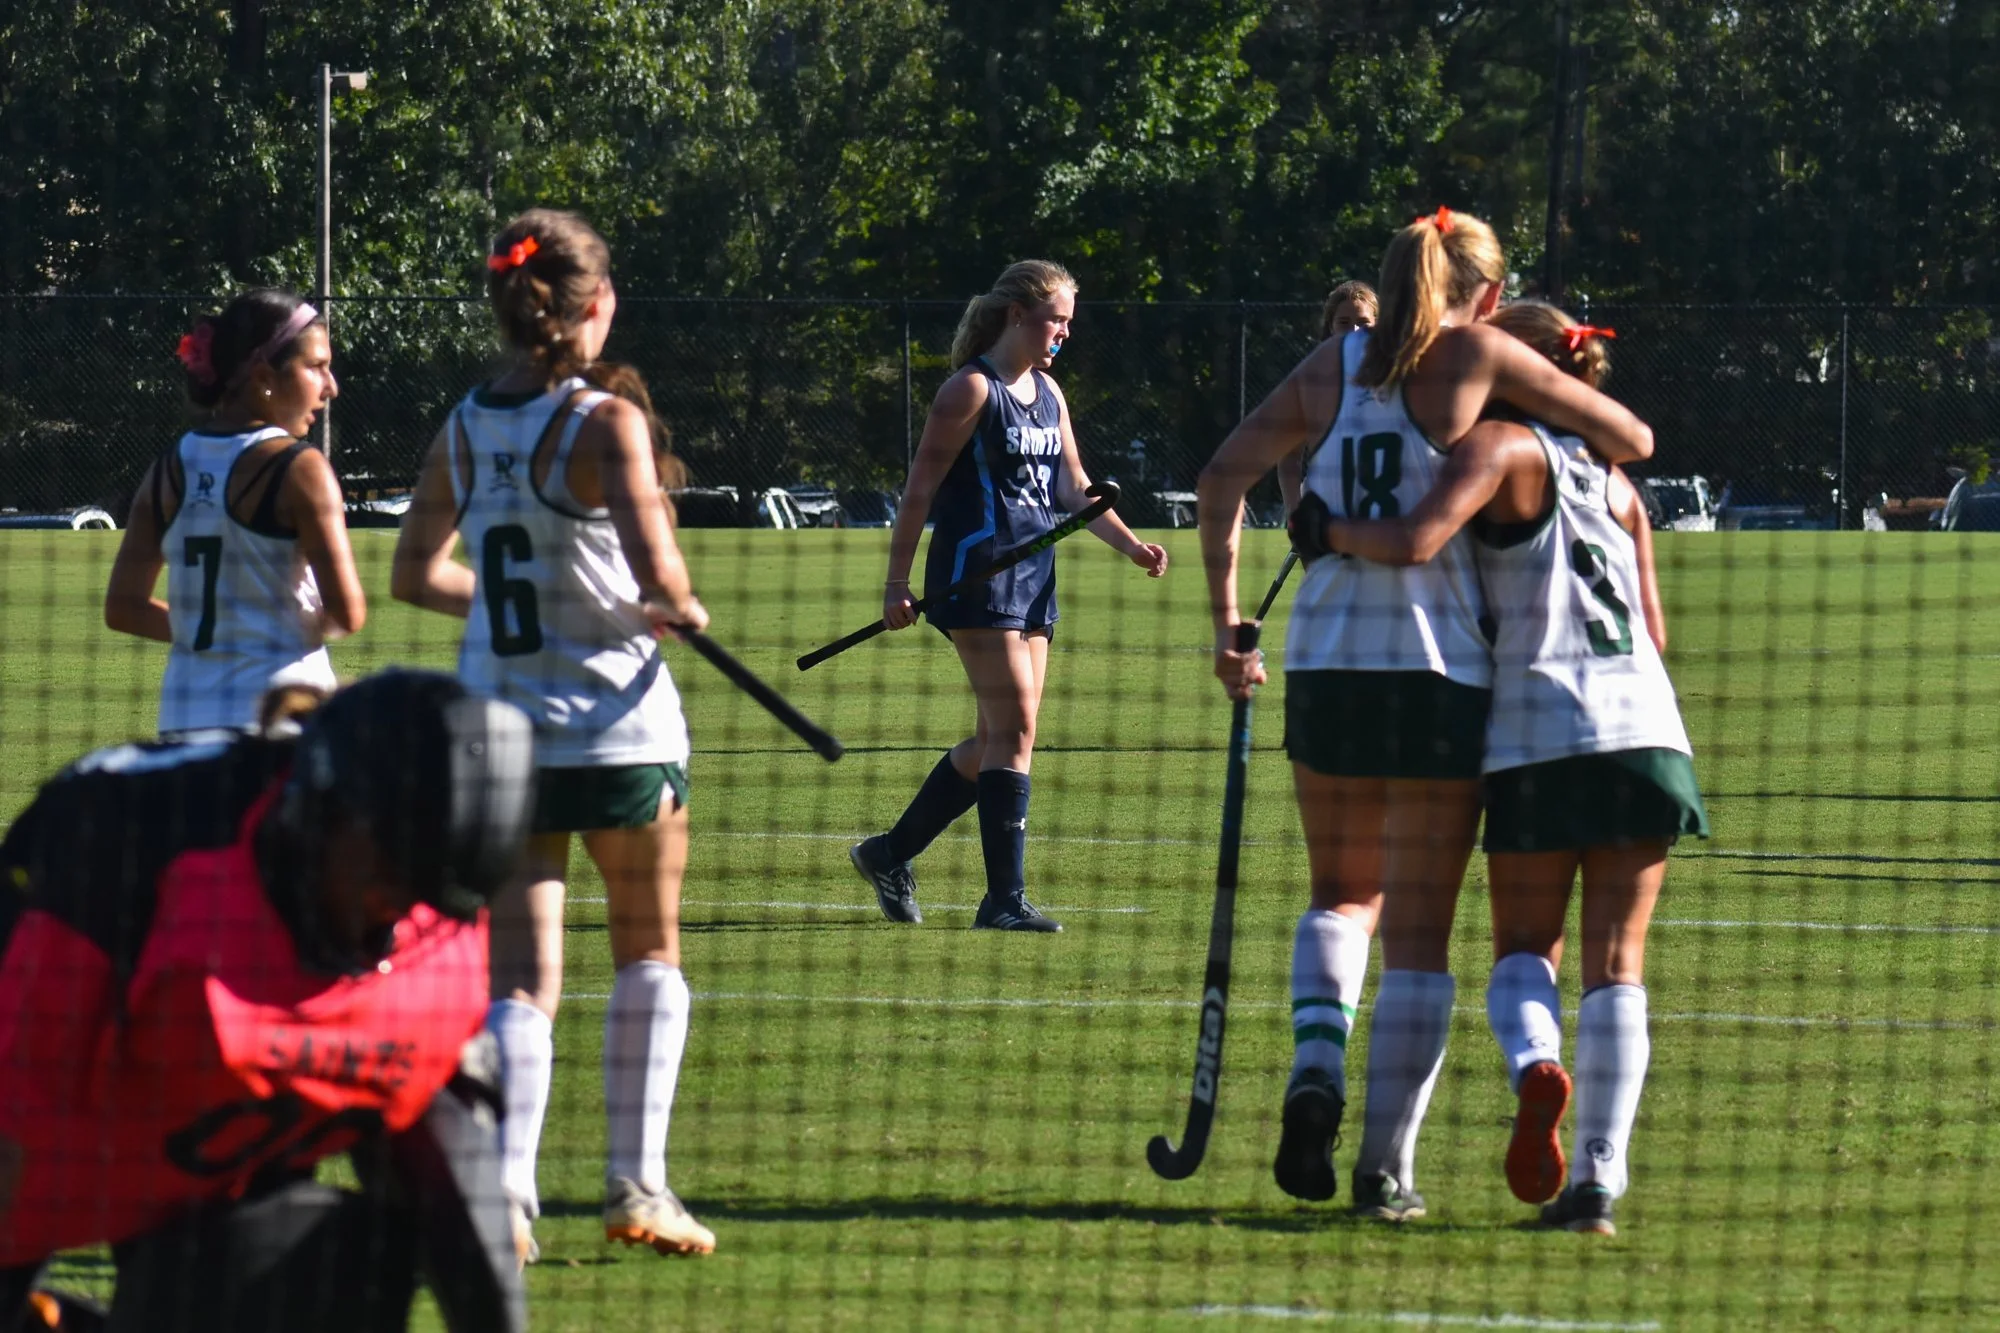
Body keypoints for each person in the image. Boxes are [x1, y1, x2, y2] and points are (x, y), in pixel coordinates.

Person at [1196, 207, 1656, 1222]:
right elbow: (1631, 437)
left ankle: (1317, 1059)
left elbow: (1219, 477)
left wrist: (1229, 623)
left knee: (1335, 895)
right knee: (1417, 939)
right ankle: (1381, 1171)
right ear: (1485, 294)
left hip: (1324, 659)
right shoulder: (1478, 353)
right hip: (1440, 671)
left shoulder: (1331, 364)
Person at [1316, 302, 1706, 1236]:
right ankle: (1599, 1188)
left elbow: (1415, 539)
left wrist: (1326, 531)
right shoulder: (1618, 483)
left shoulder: (1496, 447)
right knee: (1620, 967)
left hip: (1538, 731)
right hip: (1649, 729)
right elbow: (1653, 631)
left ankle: (1536, 1059)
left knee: (1522, 954)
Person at [0, 670, 536, 1332]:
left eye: (426, 890)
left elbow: (449, 1181)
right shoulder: (136, 845)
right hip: (73, 1075)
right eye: (390, 874)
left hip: (210, 1117)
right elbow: (21, 1138)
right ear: (322, 813)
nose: (397, 909)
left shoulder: (439, 911)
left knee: (321, 1265)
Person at [391, 208, 714, 1264]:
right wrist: (676, 608)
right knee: (647, 949)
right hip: (617, 730)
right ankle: (638, 1185)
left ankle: (508, 1195)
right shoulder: (604, 423)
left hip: (499, 734)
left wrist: (508, 606)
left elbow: (413, 572)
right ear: (594, 307)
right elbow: (661, 579)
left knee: (521, 980)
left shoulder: (466, 421)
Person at [848, 260, 1168, 933]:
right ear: (1016, 314)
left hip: (1035, 580)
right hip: (976, 576)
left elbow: (1073, 491)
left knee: (1001, 736)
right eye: (1056, 319)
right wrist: (895, 584)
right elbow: (919, 491)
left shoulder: (1050, 393)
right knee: (1016, 726)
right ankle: (1003, 900)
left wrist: (1133, 545)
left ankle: (889, 852)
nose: (1063, 333)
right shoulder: (968, 390)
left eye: (1070, 323)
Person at [105, 290, 365, 737]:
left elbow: (123, 608)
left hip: (185, 725)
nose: (331, 386)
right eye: (317, 366)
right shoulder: (302, 470)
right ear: (265, 376)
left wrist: (217, 633)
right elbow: (348, 614)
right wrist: (261, 633)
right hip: (280, 727)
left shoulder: (167, 468)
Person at [1279, 281, 1380, 515]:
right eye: (1344, 323)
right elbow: (1289, 458)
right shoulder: (1313, 382)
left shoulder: (1398, 379)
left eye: (1364, 322)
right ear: (1331, 327)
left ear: (1378, 325)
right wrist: (1296, 515)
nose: (1354, 331)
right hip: (1330, 507)